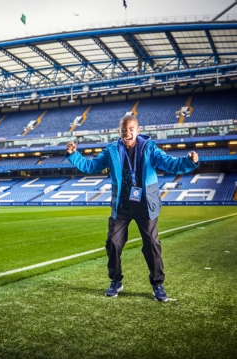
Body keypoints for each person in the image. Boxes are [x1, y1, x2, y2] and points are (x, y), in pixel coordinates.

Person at [66, 115, 199, 301]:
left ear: (138, 130)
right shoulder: (112, 150)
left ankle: (157, 284)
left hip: (146, 205)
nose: (127, 133)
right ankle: (115, 281)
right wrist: (74, 155)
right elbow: (91, 166)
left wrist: (188, 161)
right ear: (119, 131)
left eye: (130, 129)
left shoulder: (149, 148)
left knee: (152, 244)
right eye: (123, 129)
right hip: (122, 206)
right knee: (113, 242)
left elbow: (169, 163)